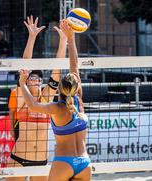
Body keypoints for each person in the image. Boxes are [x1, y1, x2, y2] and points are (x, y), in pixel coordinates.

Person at [18, 20, 91, 181]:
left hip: (64, 162)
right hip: (85, 163)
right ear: (76, 86)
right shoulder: (79, 100)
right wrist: (71, 39)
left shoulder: (56, 107)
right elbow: (75, 66)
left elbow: (33, 105)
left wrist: (22, 83)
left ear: (59, 89)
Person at [7, 16, 67, 181]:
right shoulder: (21, 95)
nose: (37, 79)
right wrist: (32, 36)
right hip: (18, 157)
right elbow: (25, 66)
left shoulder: (46, 98)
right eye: (33, 77)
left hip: (41, 160)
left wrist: (63, 40)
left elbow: (57, 72)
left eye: (39, 78)